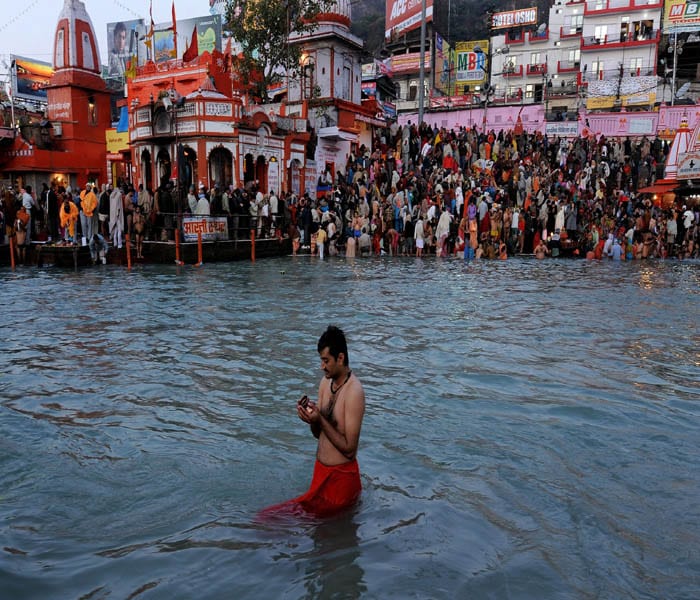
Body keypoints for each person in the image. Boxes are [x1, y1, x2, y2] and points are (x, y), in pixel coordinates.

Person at [261, 326, 365, 518]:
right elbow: (319, 434)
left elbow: (350, 450)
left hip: (340, 482)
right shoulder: (325, 383)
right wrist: (311, 419)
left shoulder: (354, 392)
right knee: (274, 520)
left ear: (340, 358)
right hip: (320, 476)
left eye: (326, 361)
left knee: (275, 520)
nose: (322, 366)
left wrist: (320, 420)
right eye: (321, 360)